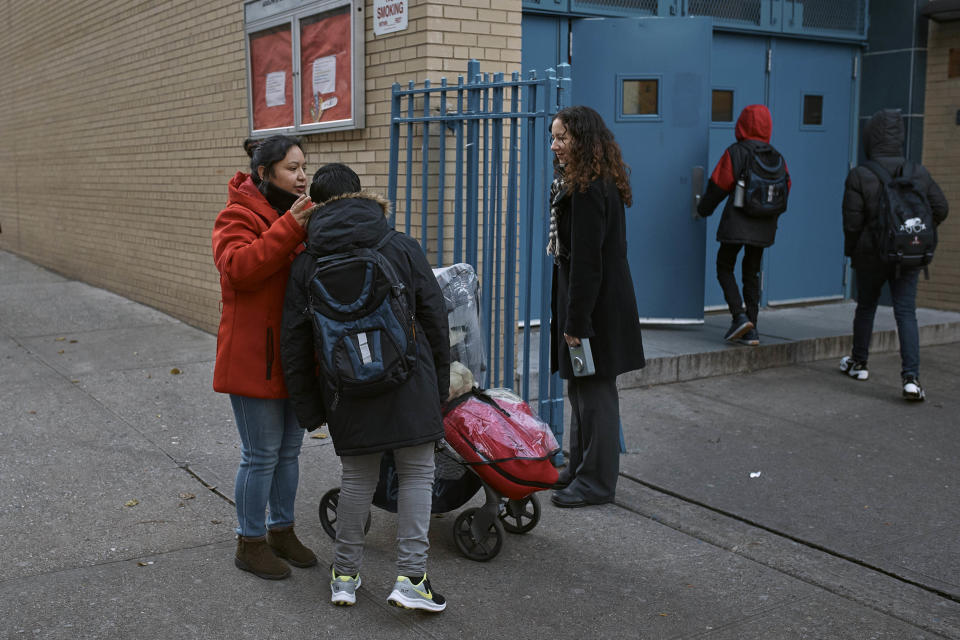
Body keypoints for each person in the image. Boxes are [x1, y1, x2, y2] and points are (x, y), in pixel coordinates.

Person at [281, 163, 451, 611]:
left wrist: (310, 408)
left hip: (345, 388)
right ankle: (412, 579)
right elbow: (434, 316)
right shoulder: (399, 245)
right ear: (361, 195)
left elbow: (295, 343)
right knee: (416, 474)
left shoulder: (306, 262)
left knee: (357, 478)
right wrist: (441, 384)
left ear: (315, 205)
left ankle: (343, 578)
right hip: (409, 380)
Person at [211, 135, 318, 580]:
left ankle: (281, 530)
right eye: (292, 168)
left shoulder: (300, 214)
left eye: (304, 167)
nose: (302, 176)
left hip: (293, 354)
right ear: (264, 172)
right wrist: (291, 227)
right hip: (253, 357)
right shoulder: (236, 215)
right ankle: (249, 541)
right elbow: (240, 268)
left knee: (290, 452)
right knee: (261, 454)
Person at [547, 105, 645, 509]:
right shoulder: (581, 182)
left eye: (562, 138)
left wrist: (577, 322)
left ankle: (597, 483)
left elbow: (589, 262)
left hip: (595, 311)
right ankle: (579, 468)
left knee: (596, 394)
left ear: (583, 140)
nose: (555, 146)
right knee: (580, 389)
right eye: (553, 138)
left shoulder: (588, 189)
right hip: (589, 306)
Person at [840, 109, 948, 400]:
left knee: (866, 307)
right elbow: (942, 209)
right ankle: (911, 379)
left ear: (870, 139)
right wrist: (914, 233)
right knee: (905, 313)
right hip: (908, 255)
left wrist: (853, 251)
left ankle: (859, 363)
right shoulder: (918, 172)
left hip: (871, 255)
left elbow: (852, 223)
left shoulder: (860, 175)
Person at [697, 104, 791, 346]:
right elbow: (786, 187)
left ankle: (739, 317)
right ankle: (752, 328)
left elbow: (718, 185)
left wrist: (702, 210)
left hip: (737, 223)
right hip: (764, 225)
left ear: (742, 124)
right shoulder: (777, 156)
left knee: (724, 266)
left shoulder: (737, 152)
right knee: (752, 272)